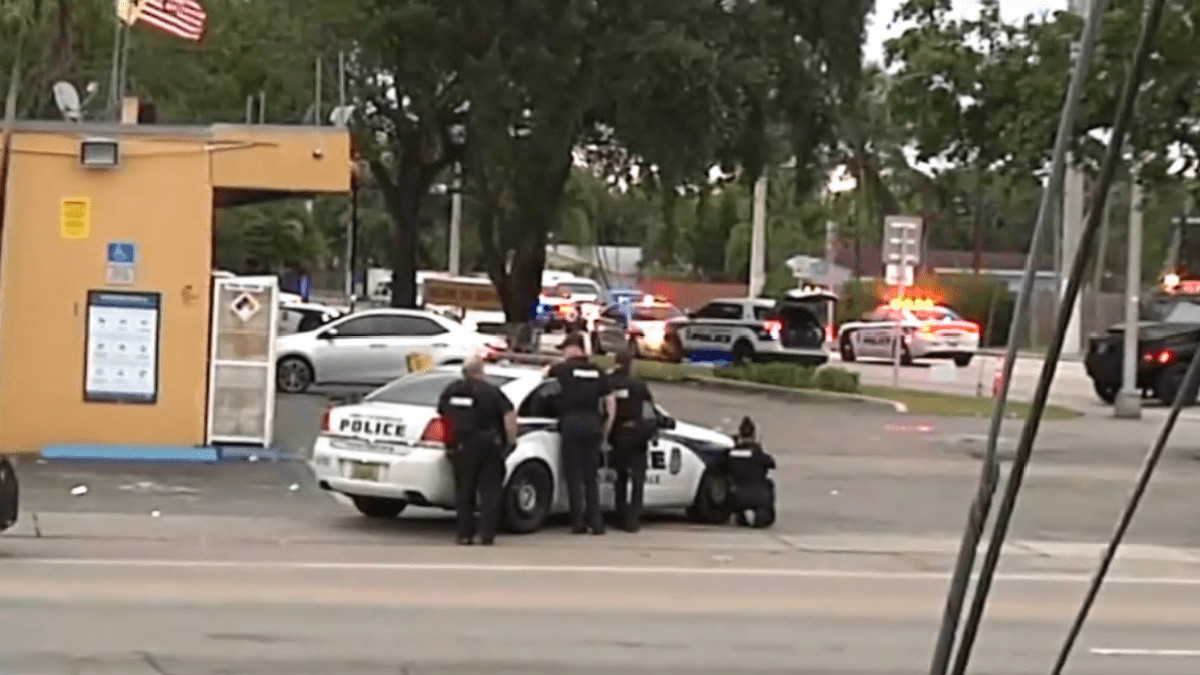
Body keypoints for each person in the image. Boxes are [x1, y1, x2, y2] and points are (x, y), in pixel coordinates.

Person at [437, 357, 518, 546]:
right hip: (488, 444)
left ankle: (464, 534)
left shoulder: (451, 391)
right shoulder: (491, 392)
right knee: (489, 491)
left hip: (461, 445)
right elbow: (509, 416)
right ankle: (486, 534)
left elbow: (443, 418)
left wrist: (448, 444)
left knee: (464, 490)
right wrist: (510, 442)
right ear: (481, 371)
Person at [551, 332, 616, 534]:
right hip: (592, 424)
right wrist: (606, 428)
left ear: (574, 349)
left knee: (573, 476)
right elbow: (610, 403)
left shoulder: (562, 369)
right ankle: (596, 522)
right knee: (591, 477)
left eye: (564, 349)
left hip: (571, 423)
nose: (563, 353)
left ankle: (578, 522)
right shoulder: (598, 371)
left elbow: (543, 378)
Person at [607, 349, 655, 532]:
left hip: (618, 435)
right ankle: (633, 519)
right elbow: (650, 408)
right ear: (630, 364)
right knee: (637, 478)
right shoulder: (638, 385)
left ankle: (620, 514)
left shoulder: (610, 383)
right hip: (637, 434)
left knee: (620, 477)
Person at [727, 416, 777, 529]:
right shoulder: (758, 455)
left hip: (737, 494)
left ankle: (742, 514)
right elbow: (772, 464)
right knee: (769, 484)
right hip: (759, 495)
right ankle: (760, 516)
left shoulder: (732, 453)